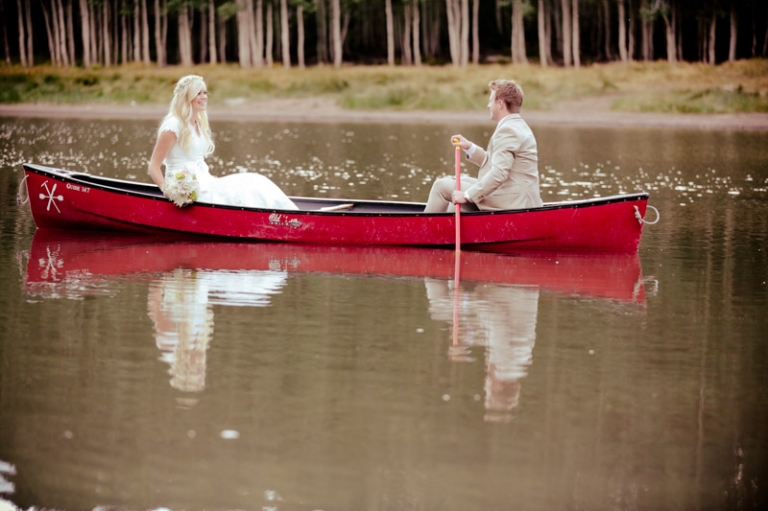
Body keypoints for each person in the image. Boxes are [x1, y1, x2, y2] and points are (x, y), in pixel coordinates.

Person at [148, 74, 298, 210]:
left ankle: (291, 214)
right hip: (185, 187)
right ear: (187, 97)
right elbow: (153, 166)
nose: (204, 97)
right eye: (198, 93)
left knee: (257, 181)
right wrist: (170, 192)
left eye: (205, 93)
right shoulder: (173, 125)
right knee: (245, 188)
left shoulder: (197, 122)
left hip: (205, 181)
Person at [424, 79, 543, 213]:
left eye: (490, 100)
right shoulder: (518, 125)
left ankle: (423, 231)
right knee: (459, 182)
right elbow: (497, 163)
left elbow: (499, 174)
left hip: (512, 202)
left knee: (441, 186)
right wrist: (469, 147)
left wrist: (467, 196)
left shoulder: (508, 131)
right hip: (514, 195)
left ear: (500, 104)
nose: (488, 105)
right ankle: (449, 227)